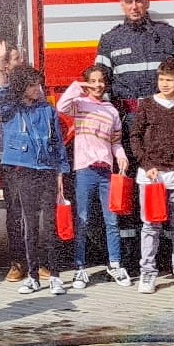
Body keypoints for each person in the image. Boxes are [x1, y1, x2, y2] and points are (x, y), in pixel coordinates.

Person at [93, 0, 174, 275]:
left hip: (164, 128)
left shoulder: (168, 35)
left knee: (167, 189)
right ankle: (133, 259)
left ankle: (167, 258)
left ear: (147, 2)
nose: (134, 6)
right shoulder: (110, 40)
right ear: (121, 4)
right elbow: (101, 88)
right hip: (130, 126)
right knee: (131, 191)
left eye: (139, 0)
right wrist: (112, 129)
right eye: (129, 1)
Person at [0, 41, 70, 295]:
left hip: (46, 170)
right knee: (29, 224)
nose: (38, 89)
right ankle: (32, 276)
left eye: (39, 84)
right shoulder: (12, 109)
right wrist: (1, 64)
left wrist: (61, 172)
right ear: (22, 87)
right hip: (22, 170)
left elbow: (57, 142)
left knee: (50, 225)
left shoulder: (48, 110)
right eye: (33, 85)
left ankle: (55, 275)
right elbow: (1, 96)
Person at [132, 59, 174, 294]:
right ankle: (147, 273)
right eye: (161, 79)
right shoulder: (146, 105)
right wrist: (146, 164)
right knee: (151, 226)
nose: (164, 84)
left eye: (169, 80)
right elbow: (135, 137)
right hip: (152, 176)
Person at [59, 63, 131, 288]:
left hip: (106, 171)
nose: (97, 85)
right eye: (93, 81)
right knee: (83, 219)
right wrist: (78, 86)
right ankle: (79, 268)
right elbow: (61, 105)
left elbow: (116, 141)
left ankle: (115, 264)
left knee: (112, 220)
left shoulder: (112, 111)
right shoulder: (80, 104)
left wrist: (121, 156)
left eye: (101, 81)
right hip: (85, 170)